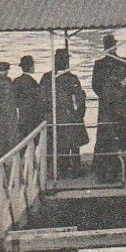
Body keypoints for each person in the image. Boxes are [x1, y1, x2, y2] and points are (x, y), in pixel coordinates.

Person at [41, 48, 88, 178]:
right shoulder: (71, 78)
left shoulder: (47, 78)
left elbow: (42, 99)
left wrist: (47, 114)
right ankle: (74, 170)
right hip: (69, 117)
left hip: (54, 118)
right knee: (73, 144)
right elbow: (80, 98)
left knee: (57, 145)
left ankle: (58, 170)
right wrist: (79, 114)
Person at [91, 36, 126, 182]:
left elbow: (95, 85)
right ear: (114, 46)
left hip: (105, 106)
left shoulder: (99, 64)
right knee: (119, 133)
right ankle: (120, 166)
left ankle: (101, 166)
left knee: (104, 135)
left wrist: (105, 96)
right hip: (119, 105)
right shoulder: (123, 62)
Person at [12, 55, 42, 138]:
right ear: (31, 67)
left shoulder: (16, 81)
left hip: (21, 117)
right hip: (32, 118)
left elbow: (14, 99)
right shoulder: (33, 82)